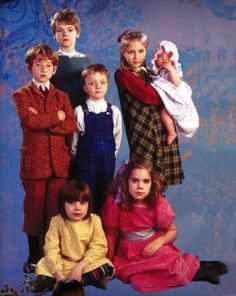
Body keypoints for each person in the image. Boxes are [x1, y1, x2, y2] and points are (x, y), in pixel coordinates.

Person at [102, 158, 228, 293]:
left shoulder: (157, 202)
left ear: (152, 183)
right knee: (139, 282)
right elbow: (110, 235)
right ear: (125, 182)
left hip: (152, 244)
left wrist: (159, 242)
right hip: (128, 252)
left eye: (146, 181)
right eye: (135, 181)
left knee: (167, 265)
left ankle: (201, 271)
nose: (140, 186)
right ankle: (197, 268)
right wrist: (108, 262)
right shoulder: (114, 203)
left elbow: (173, 231)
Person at [13, 43, 76, 274]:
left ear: (54, 69)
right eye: (38, 65)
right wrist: (55, 117)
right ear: (30, 67)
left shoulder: (62, 96)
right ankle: (33, 256)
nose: (43, 69)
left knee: (53, 212)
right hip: (34, 164)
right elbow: (29, 122)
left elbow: (70, 125)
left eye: (48, 65)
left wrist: (47, 121)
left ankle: (51, 257)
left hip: (58, 164)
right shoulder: (22, 94)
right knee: (34, 209)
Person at [115, 30, 183, 190]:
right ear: (123, 53)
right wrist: (170, 93)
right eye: (131, 52)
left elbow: (169, 83)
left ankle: (156, 211)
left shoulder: (149, 73)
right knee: (142, 175)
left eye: (141, 51)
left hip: (159, 130)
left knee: (157, 180)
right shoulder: (124, 75)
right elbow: (149, 96)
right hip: (142, 131)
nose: (136, 56)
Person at [29, 179, 114, 294]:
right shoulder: (56, 221)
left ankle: (71, 282)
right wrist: (59, 276)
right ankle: (68, 282)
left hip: (86, 264)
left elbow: (99, 247)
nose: (77, 208)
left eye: (82, 203)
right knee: (42, 265)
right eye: (72, 203)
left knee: (106, 266)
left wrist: (79, 267)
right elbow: (51, 248)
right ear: (62, 204)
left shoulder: (94, 220)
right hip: (62, 263)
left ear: (89, 204)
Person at [70, 64, 122, 214]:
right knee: (86, 194)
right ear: (85, 87)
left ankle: (101, 231)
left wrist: (110, 155)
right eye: (92, 83)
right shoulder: (80, 111)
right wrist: (76, 157)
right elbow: (74, 140)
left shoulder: (113, 111)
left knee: (105, 195)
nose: (97, 86)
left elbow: (117, 138)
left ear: (107, 85)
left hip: (107, 162)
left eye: (102, 82)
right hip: (85, 163)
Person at [151, 40, 199, 145]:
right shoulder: (160, 70)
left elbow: (177, 83)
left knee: (164, 113)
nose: (156, 58)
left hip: (176, 100)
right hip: (168, 98)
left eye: (159, 56)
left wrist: (171, 70)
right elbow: (155, 78)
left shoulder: (174, 70)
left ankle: (171, 132)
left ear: (169, 57)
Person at [50, 8, 92, 109]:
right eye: (60, 30)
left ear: (77, 33)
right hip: (58, 114)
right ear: (54, 34)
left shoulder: (86, 61)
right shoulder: (50, 60)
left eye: (70, 30)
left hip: (82, 114)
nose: (65, 34)